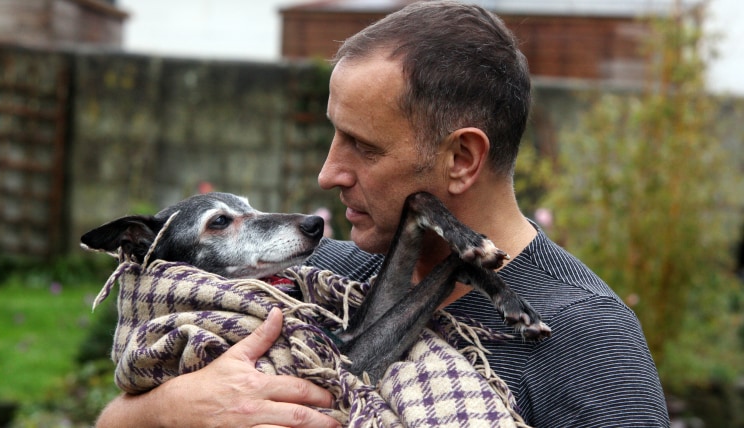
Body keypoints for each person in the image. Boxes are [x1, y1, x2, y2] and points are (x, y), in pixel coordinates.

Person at [96, 1, 670, 427]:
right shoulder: (322, 279)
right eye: (333, 137)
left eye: (363, 147)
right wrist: (164, 413)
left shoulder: (587, 339)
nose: (328, 174)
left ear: (462, 159)